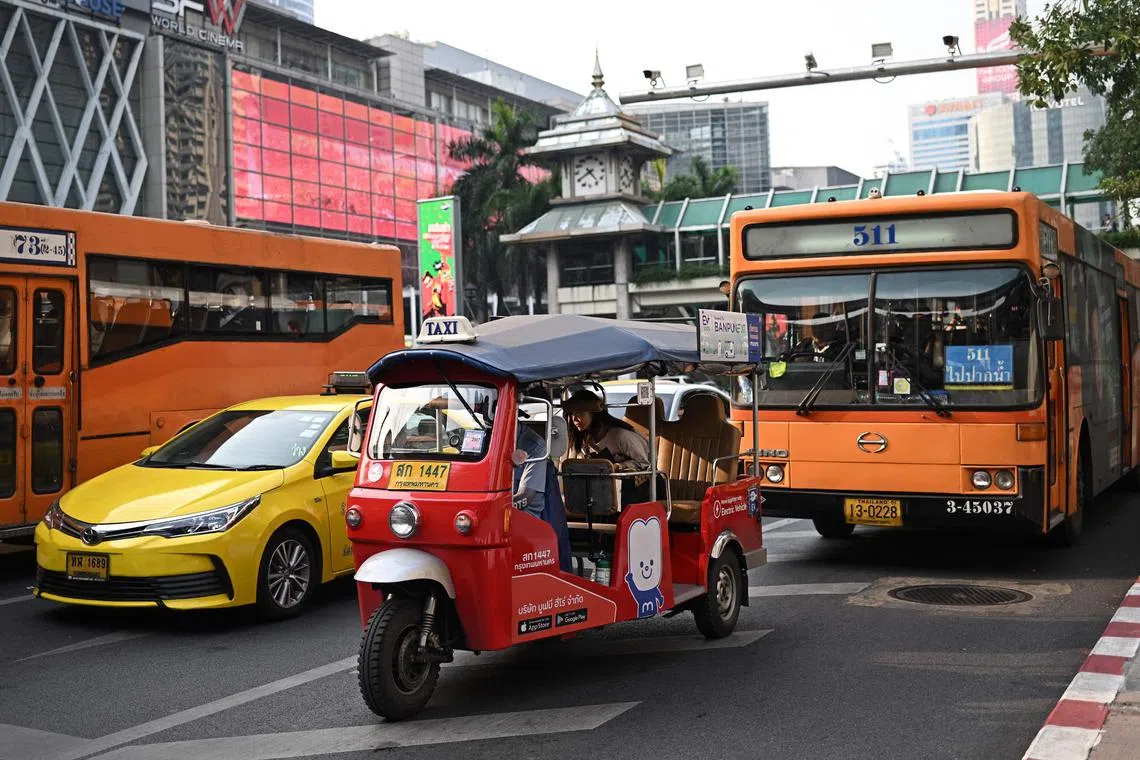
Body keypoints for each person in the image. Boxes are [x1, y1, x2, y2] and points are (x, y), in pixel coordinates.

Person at [563, 390, 659, 506]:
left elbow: (646, 463)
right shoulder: (584, 439)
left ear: (594, 414)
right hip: (611, 488)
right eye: (572, 414)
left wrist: (619, 466)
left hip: (645, 486)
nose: (575, 419)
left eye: (580, 414)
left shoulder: (620, 435)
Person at [513, 417, 572, 572]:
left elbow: (525, 498)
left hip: (526, 522)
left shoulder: (535, 446)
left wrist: (496, 508)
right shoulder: (485, 437)